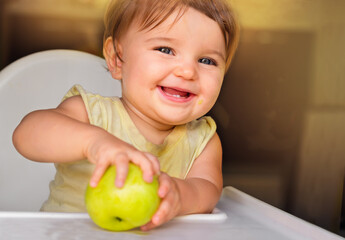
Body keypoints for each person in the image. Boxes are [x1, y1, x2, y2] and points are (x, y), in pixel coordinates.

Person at [12, 0, 239, 231]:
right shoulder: (91, 113)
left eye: (207, 60)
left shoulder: (203, 140)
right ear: (117, 58)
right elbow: (26, 134)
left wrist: (179, 196)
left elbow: (208, 190)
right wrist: (95, 143)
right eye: (165, 50)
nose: (188, 71)